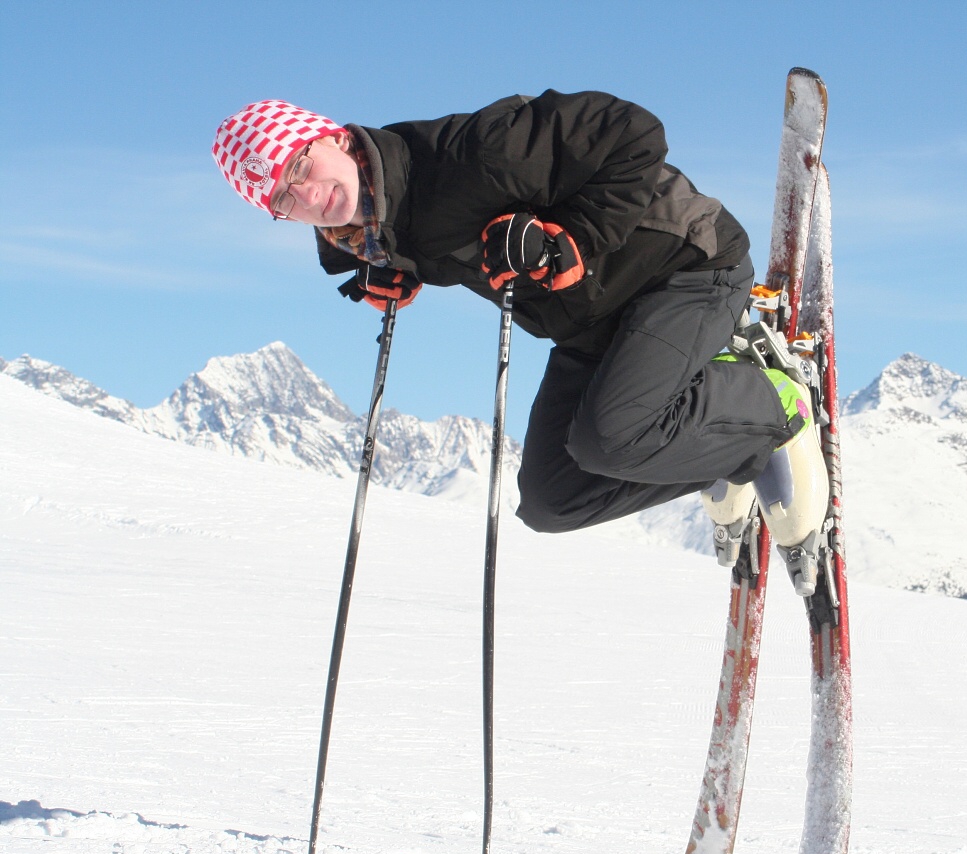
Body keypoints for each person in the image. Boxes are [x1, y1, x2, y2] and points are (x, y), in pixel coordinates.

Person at [211, 92, 827, 584]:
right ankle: (718, 442)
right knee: (552, 500)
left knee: (611, 436)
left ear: (332, 137)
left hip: (684, 264)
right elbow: (418, 233)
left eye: (300, 166)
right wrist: (398, 267)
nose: (309, 196)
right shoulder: (380, 227)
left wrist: (574, 237)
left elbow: (633, 131)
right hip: (596, 321)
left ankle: (773, 401)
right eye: (284, 201)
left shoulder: (470, 154)